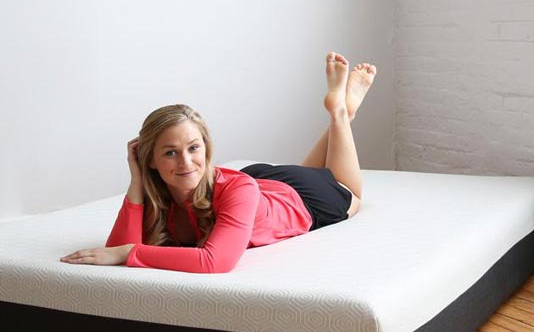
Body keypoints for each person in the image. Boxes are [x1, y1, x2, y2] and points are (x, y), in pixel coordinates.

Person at [60, 52, 377, 273]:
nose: (185, 162)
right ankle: (342, 111)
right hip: (259, 182)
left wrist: (132, 252)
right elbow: (113, 252)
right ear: (150, 160)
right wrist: (137, 181)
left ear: (206, 148)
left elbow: (215, 262)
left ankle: (340, 112)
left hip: (302, 199)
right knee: (308, 174)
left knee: (351, 194)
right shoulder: (160, 194)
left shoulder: (237, 190)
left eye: (193, 148)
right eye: (170, 152)